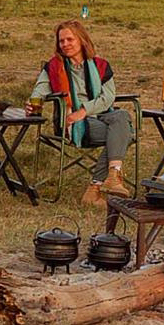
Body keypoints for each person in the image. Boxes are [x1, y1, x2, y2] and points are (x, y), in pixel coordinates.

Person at [32, 17, 138, 195]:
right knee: (123, 134)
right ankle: (106, 180)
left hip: (99, 115)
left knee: (121, 117)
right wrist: (33, 102)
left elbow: (108, 97)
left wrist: (83, 111)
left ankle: (100, 184)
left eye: (70, 39)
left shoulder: (101, 65)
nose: (65, 44)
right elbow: (40, 89)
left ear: (82, 40)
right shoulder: (54, 67)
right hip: (71, 122)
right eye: (61, 41)